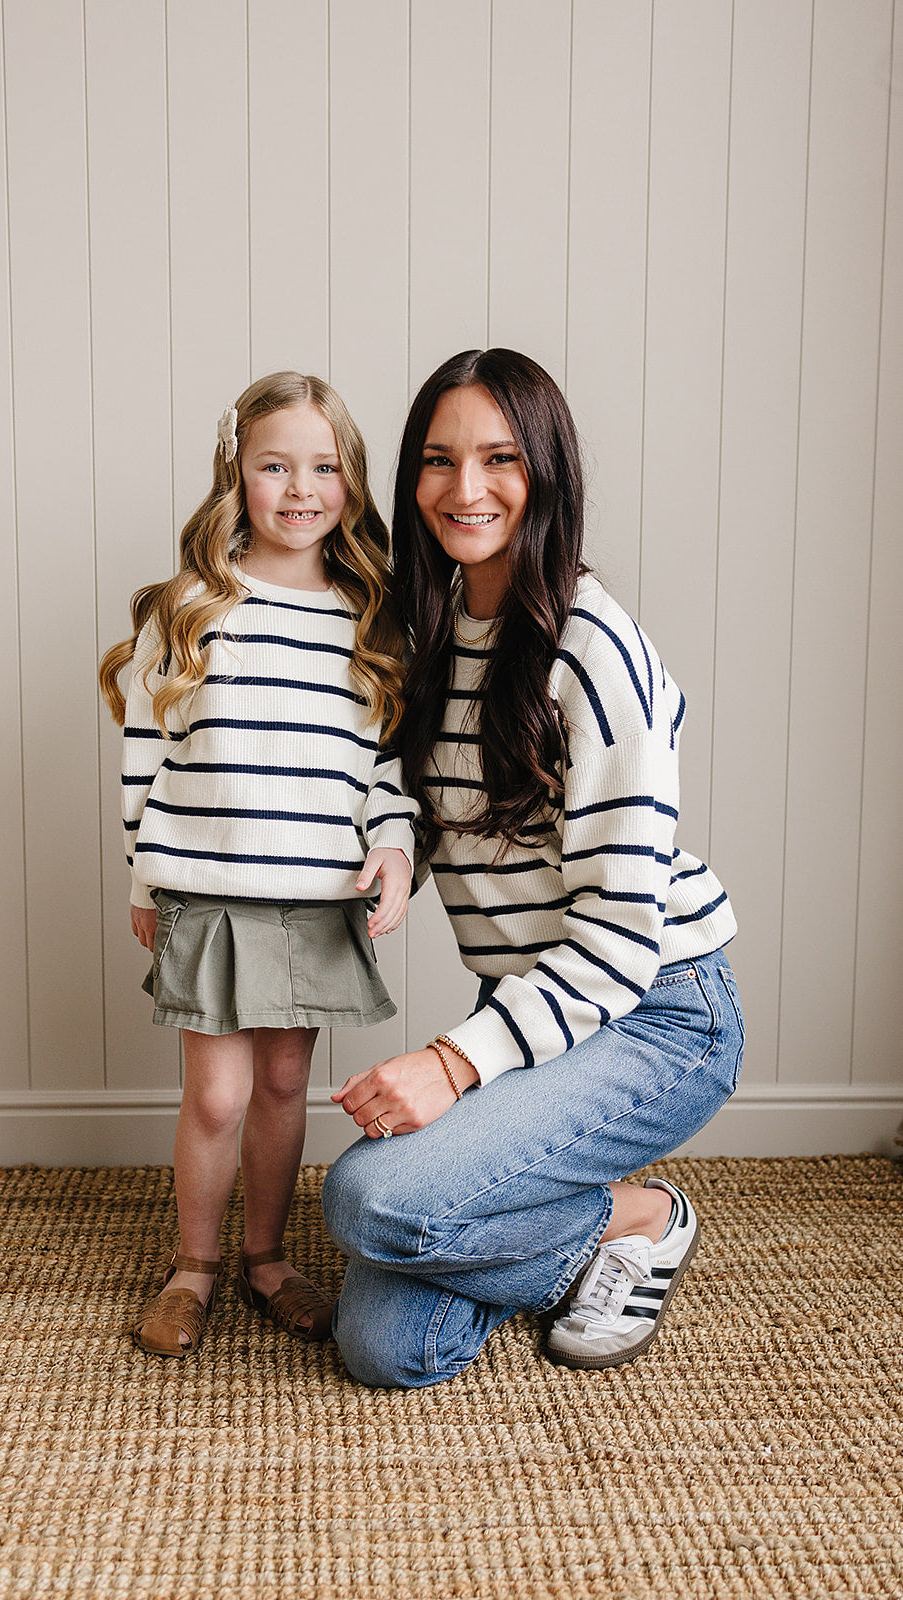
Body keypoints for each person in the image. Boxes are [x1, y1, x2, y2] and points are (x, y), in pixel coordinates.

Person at [322, 348, 743, 1388]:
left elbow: (612, 946)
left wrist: (451, 1064)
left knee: (368, 1200)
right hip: (531, 998)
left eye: (498, 458)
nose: (463, 490)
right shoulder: (432, 630)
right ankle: (575, 1231)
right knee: (386, 1347)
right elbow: (435, 793)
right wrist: (395, 848)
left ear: (545, 471)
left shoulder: (595, 654)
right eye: (435, 459)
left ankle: (643, 1214)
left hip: (656, 1012)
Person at [99, 371, 416, 1358]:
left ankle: (266, 1258)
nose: (297, 488)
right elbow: (144, 756)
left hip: (314, 898)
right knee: (217, 1095)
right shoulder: (194, 605)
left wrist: (394, 847)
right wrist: (146, 877)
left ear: (350, 482)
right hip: (211, 890)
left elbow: (386, 764)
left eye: (322, 467)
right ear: (235, 475)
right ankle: (192, 1267)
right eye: (273, 465)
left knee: (284, 1087)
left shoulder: (369, 615)